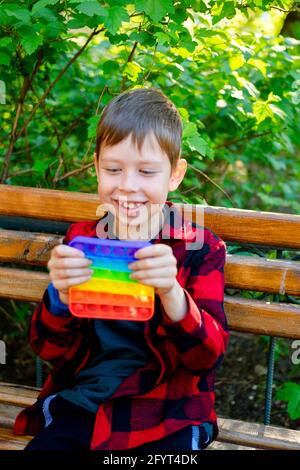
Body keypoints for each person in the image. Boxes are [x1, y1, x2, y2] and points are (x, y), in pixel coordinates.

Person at [14, 88, 229, 451]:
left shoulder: (198, 246)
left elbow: (206, 356)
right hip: (86, 405)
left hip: (166, 413)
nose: (128, 186)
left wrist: (173, 294)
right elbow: (47, 347)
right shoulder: (82, 239)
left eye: (147, 171)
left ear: (175, 175)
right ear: (97, 166)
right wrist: (61, 296)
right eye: (114, 169)